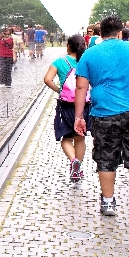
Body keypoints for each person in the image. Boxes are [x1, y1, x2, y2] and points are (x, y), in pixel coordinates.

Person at [74, 15, 129, 223]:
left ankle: (108, 202)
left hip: (104, 112)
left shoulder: (89, 54)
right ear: (121, 32)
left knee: (106, 157)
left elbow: (81, 86)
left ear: (100, 34)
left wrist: (79, 116)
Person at [44, 34, 89, 183]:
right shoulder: (86, 61)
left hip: (66, 105)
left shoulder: (60, 61)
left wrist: (59, 90)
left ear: (68, 46)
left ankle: (73, 160)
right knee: (80, 138)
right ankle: (79, 168)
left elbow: (47, 79)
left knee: (66, 139)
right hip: (84, 104)